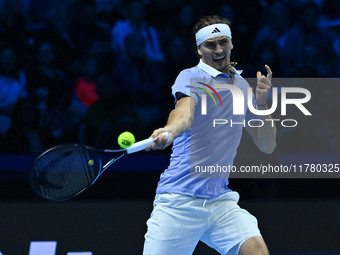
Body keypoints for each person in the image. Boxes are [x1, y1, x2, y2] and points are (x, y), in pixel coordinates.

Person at [143, 15, 276, 255]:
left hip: (219, 202)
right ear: (199, 50)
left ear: (231, 43)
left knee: (256, 250)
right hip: (179, 202)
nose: (218, 49)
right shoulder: (191, 76)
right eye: (210, 45)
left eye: (223, 42)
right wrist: (169, 131)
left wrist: (262, 104)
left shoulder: (242, 87)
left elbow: (267, 144)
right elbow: (185, 113)